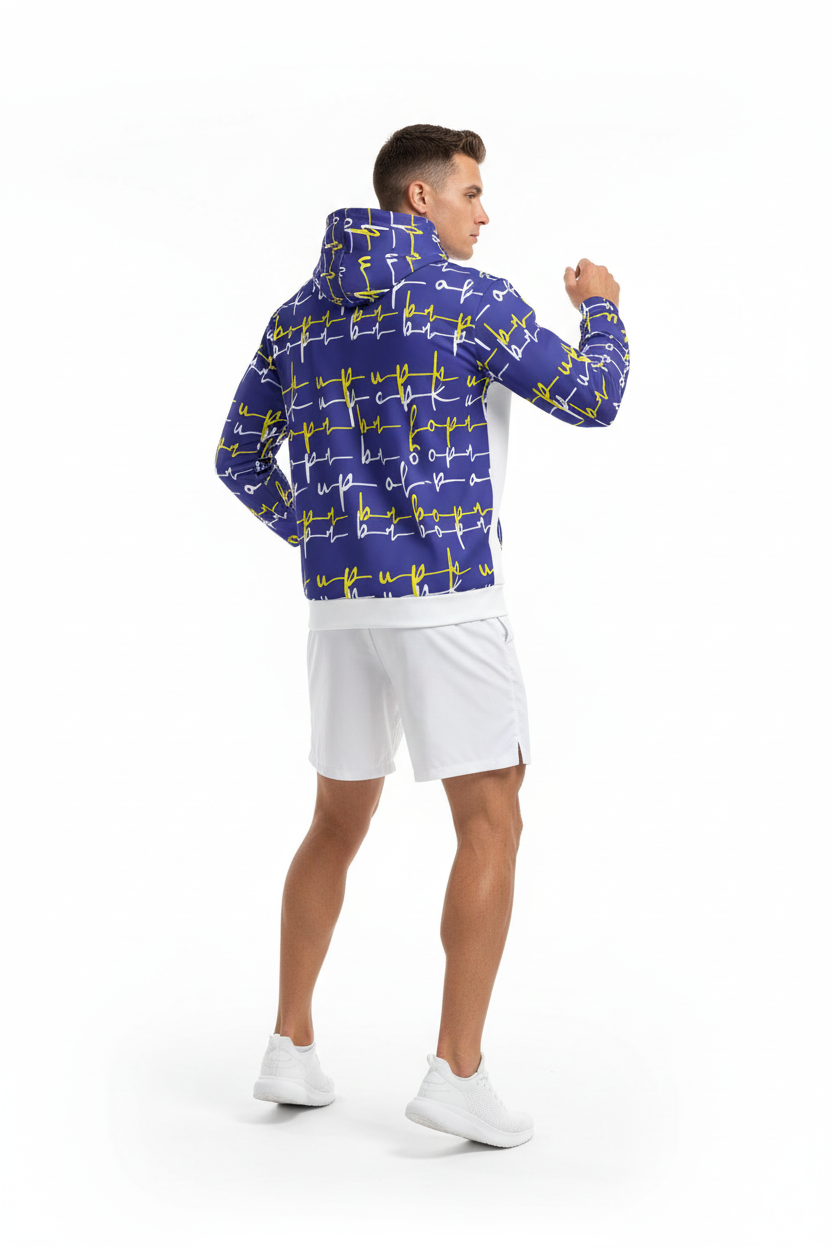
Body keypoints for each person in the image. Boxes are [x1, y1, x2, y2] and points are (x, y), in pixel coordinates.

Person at [215, 123, 630, 1149]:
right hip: (447, 600)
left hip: (339, 611)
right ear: (420, 199)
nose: (484, 215)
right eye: (471, 194)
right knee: (492, 821)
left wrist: (322, 535)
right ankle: (458, 1070)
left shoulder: (297, 314)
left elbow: (237, 457)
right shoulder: (467, 298)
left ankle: (290, 1046)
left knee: (334, 821)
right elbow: (592, 397)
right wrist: (603, 310)